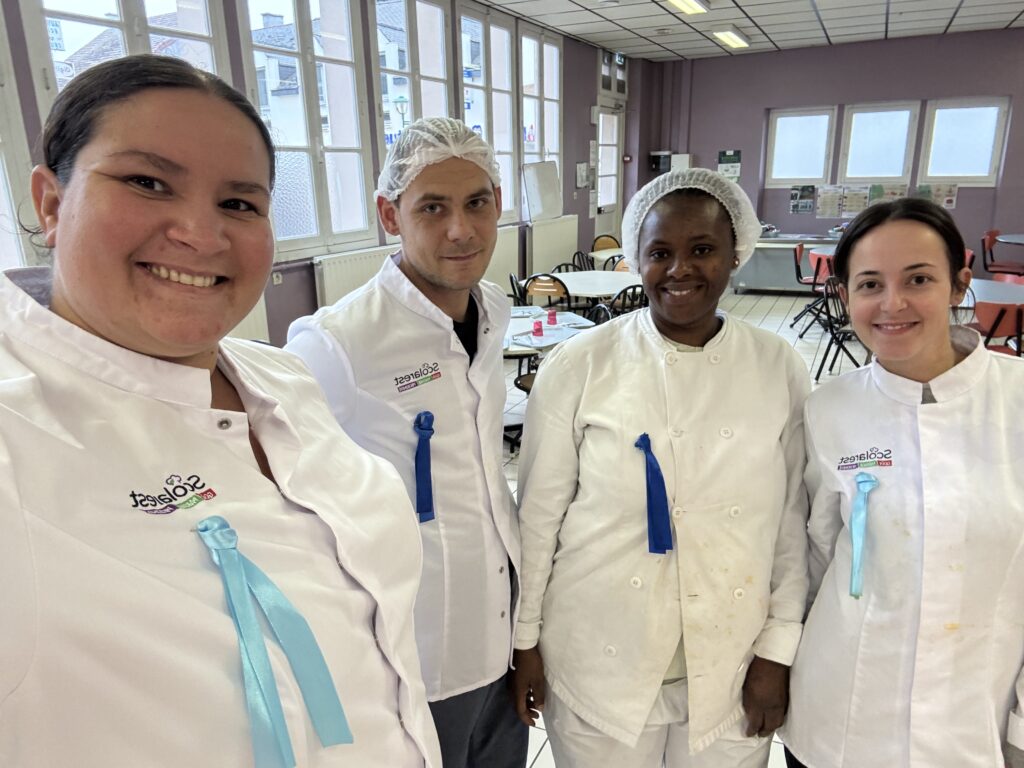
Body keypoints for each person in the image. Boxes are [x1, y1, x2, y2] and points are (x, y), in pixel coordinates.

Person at [0, 55, 441, 768]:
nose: (202, 236)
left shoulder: (281, 380)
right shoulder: (18, 439)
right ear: (51, 203)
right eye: (147, 182)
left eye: (239, 203)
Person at [510, 168, 810, 767]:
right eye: (660, 253)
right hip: (596, 651)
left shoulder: (777, 366)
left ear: (735, 255)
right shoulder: (579, 364)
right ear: (637, 259)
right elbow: (538, 518)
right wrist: (526, 642)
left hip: (732, 657)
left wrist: (778, 651)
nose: (680, 269)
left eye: (702, 250)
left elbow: (790, 526)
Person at [286, 117, 526, 767]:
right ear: (390, 215)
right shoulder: (337, 343)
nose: (461, 230)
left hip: (501, 618)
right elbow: (288, 499)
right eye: (432, 208)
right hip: (413, 645)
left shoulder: (495, 310)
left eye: (476, 203)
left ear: (498, 203)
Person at [781, 198, 1024, 768]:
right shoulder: (828, 410)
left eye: (918, 279)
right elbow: (815, 559)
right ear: (845, 296)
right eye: (870, 284)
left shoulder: (1016, 401)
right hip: (840, 721)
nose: (892, 304)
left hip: (978, 726)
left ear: (959, 285)